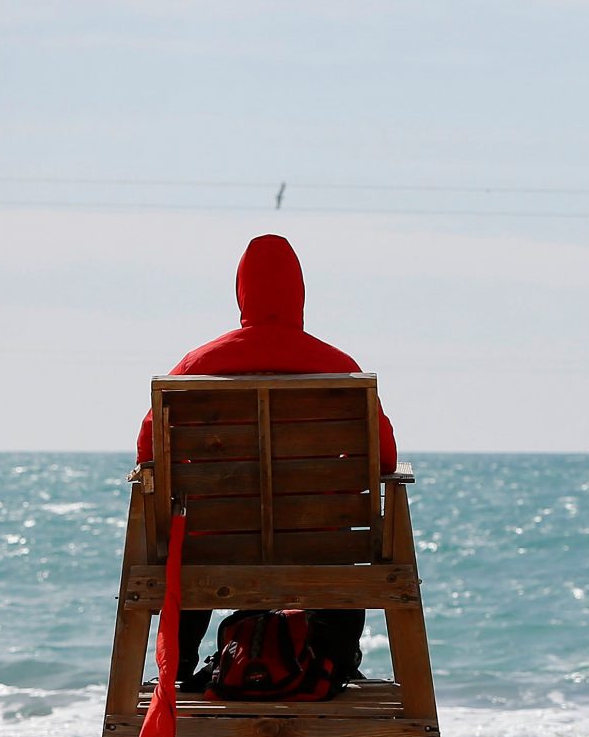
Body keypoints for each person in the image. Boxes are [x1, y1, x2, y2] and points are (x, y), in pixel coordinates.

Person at [136, 234, 397, 685]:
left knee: (196, 538)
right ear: (299, 294)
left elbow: (147, 452)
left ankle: (175, 667)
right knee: (339, 539)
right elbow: (386, 458)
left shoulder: (197, 366)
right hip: (322, 546)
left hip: (214, 544)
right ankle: (337, 657)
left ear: (241, 291)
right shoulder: (339, 367)